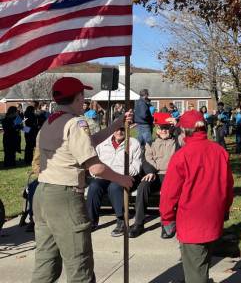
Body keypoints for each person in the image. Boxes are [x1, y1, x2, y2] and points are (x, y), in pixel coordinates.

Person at [31, 76, 133, 283]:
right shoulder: (76, 123)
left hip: (42, 194)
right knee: (80, 265)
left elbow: (87, 143)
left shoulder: (50, 122)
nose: (84, 101)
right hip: (65, 197)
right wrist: (121, 179)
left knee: (46, 263)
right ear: (78, 98)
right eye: (83, 97)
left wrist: (115, 125)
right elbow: (95, 167)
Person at [160, 110, 234, 283]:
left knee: (195, 272)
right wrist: (225, 209)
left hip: (191, 222)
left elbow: (169, 193)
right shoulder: (219, 151)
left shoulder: (182, 156)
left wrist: (167, 219)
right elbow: (228, 185)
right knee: (203, 264)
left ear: (184, 131)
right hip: (213, 218)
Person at [129, 112, 184, 238]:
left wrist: (178, 126)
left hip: (172, 175)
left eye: (166, 127)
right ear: (157, 130)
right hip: (155, 173)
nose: (164, 130)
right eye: (161, 128)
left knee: (168, 192)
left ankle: (166, 224)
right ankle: (138, 223)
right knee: (143, 186)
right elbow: (146, 159)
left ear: (170, 128)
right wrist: (150, 172)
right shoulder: (150, 143)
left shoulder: (177, 141)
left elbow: (187, 140)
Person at [86, 126, 141, 236]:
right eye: (117, 129)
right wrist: (98, 172)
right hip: (104, 176)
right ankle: (91, 221)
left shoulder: (134, 143)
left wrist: (115, 173)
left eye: (122, 129)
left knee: (114, 187)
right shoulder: (103, 143)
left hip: (123, 176)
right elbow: (95, 162)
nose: (119, 132)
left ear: (127, 130)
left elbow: (136, 167)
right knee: (94, 187)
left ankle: (121, 220)